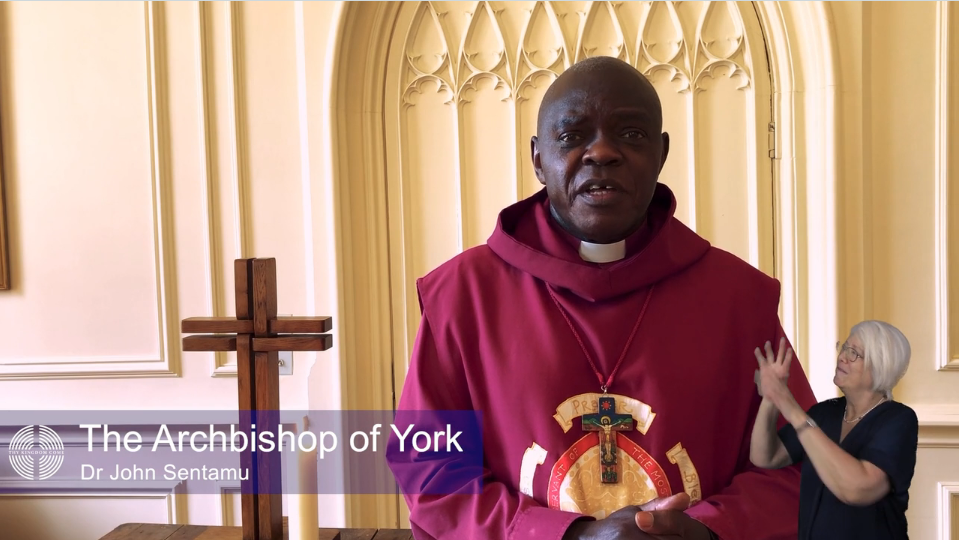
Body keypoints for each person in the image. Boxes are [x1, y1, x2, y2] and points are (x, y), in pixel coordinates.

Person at [386, 56, 818, 539]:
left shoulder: (738, 298)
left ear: (662, 152)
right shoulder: (463, 296)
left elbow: (800, 466)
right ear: (537, 157)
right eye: (572, 136)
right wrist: (567, 535)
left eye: (630, 134)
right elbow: (430, 468)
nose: (602, 152)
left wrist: (704, 531)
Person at [750, 321, 918, 539]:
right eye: (844, 347)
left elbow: (858, 489)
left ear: (880, 367)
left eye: (854, 353)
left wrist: (788, 403)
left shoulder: (898, 419)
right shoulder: (825, 412)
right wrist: (771, 398)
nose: (842, 357)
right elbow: (765, 456)